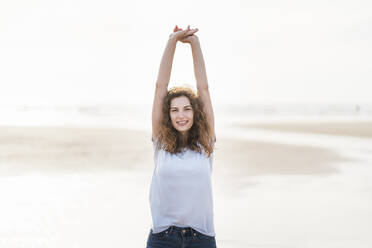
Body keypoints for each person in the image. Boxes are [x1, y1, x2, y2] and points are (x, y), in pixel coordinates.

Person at [146, 25, 217, 248]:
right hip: (163, 239)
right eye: (175, 110)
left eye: (187, 109)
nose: (181, 115)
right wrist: (172, 41)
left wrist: (195, 44)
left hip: (201, 239)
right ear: (168, 115)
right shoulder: (161, 142)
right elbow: (160, 88)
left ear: (195, 112)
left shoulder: (205, 142)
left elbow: (203, 88)